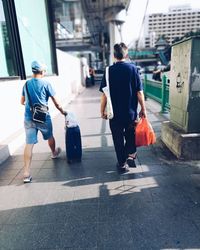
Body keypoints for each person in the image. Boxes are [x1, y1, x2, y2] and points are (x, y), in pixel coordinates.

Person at [99, 43, 147, 173]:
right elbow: (139, 93)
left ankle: (122, 164)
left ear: (114, 55)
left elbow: (104, 94)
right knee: (130, 135)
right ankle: (131, 154)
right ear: (126, 54)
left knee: (117, 138)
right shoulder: (134, 69)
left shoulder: (108, 71)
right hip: (130, 113)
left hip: (114, 114)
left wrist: (102, 110)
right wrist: (143, 109)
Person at [21, 61, 66, 183]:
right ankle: (54, 153)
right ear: (42, 71)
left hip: (29, 117)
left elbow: (22, 101)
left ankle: (26, 173)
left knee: (29, 144)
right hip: (43, 117)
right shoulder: (46, 84)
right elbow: (56, 102)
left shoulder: (26, 84)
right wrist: (62, 111)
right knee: (49, 136)